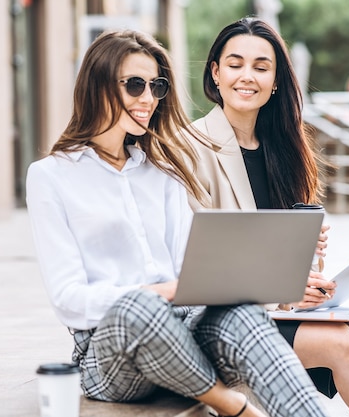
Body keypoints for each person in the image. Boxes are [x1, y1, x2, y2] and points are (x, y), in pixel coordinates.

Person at [25, 29, 331, 417]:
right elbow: (69, 300)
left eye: (157, 86)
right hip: (108, 353)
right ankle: (235, 407)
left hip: (183, 329)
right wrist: (156, 293)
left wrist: (259, 278)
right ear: (97, 86)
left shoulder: (163, 171)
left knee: (244, 314)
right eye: (135, 85)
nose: (148, 99)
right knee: (140, 306)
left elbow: (194, 268)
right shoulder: (51, 176)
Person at [183, 17, 349, 417]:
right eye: (235, 64)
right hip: (223, 319)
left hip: (278, 308)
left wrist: (306, 261)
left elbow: (295, 262)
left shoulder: (283, 150)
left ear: (275, 81)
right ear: (215, 73)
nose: (247, 76)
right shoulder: (190, 147)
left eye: (261, 67)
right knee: (341, 344)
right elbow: (197, 262)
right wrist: (281, 287)